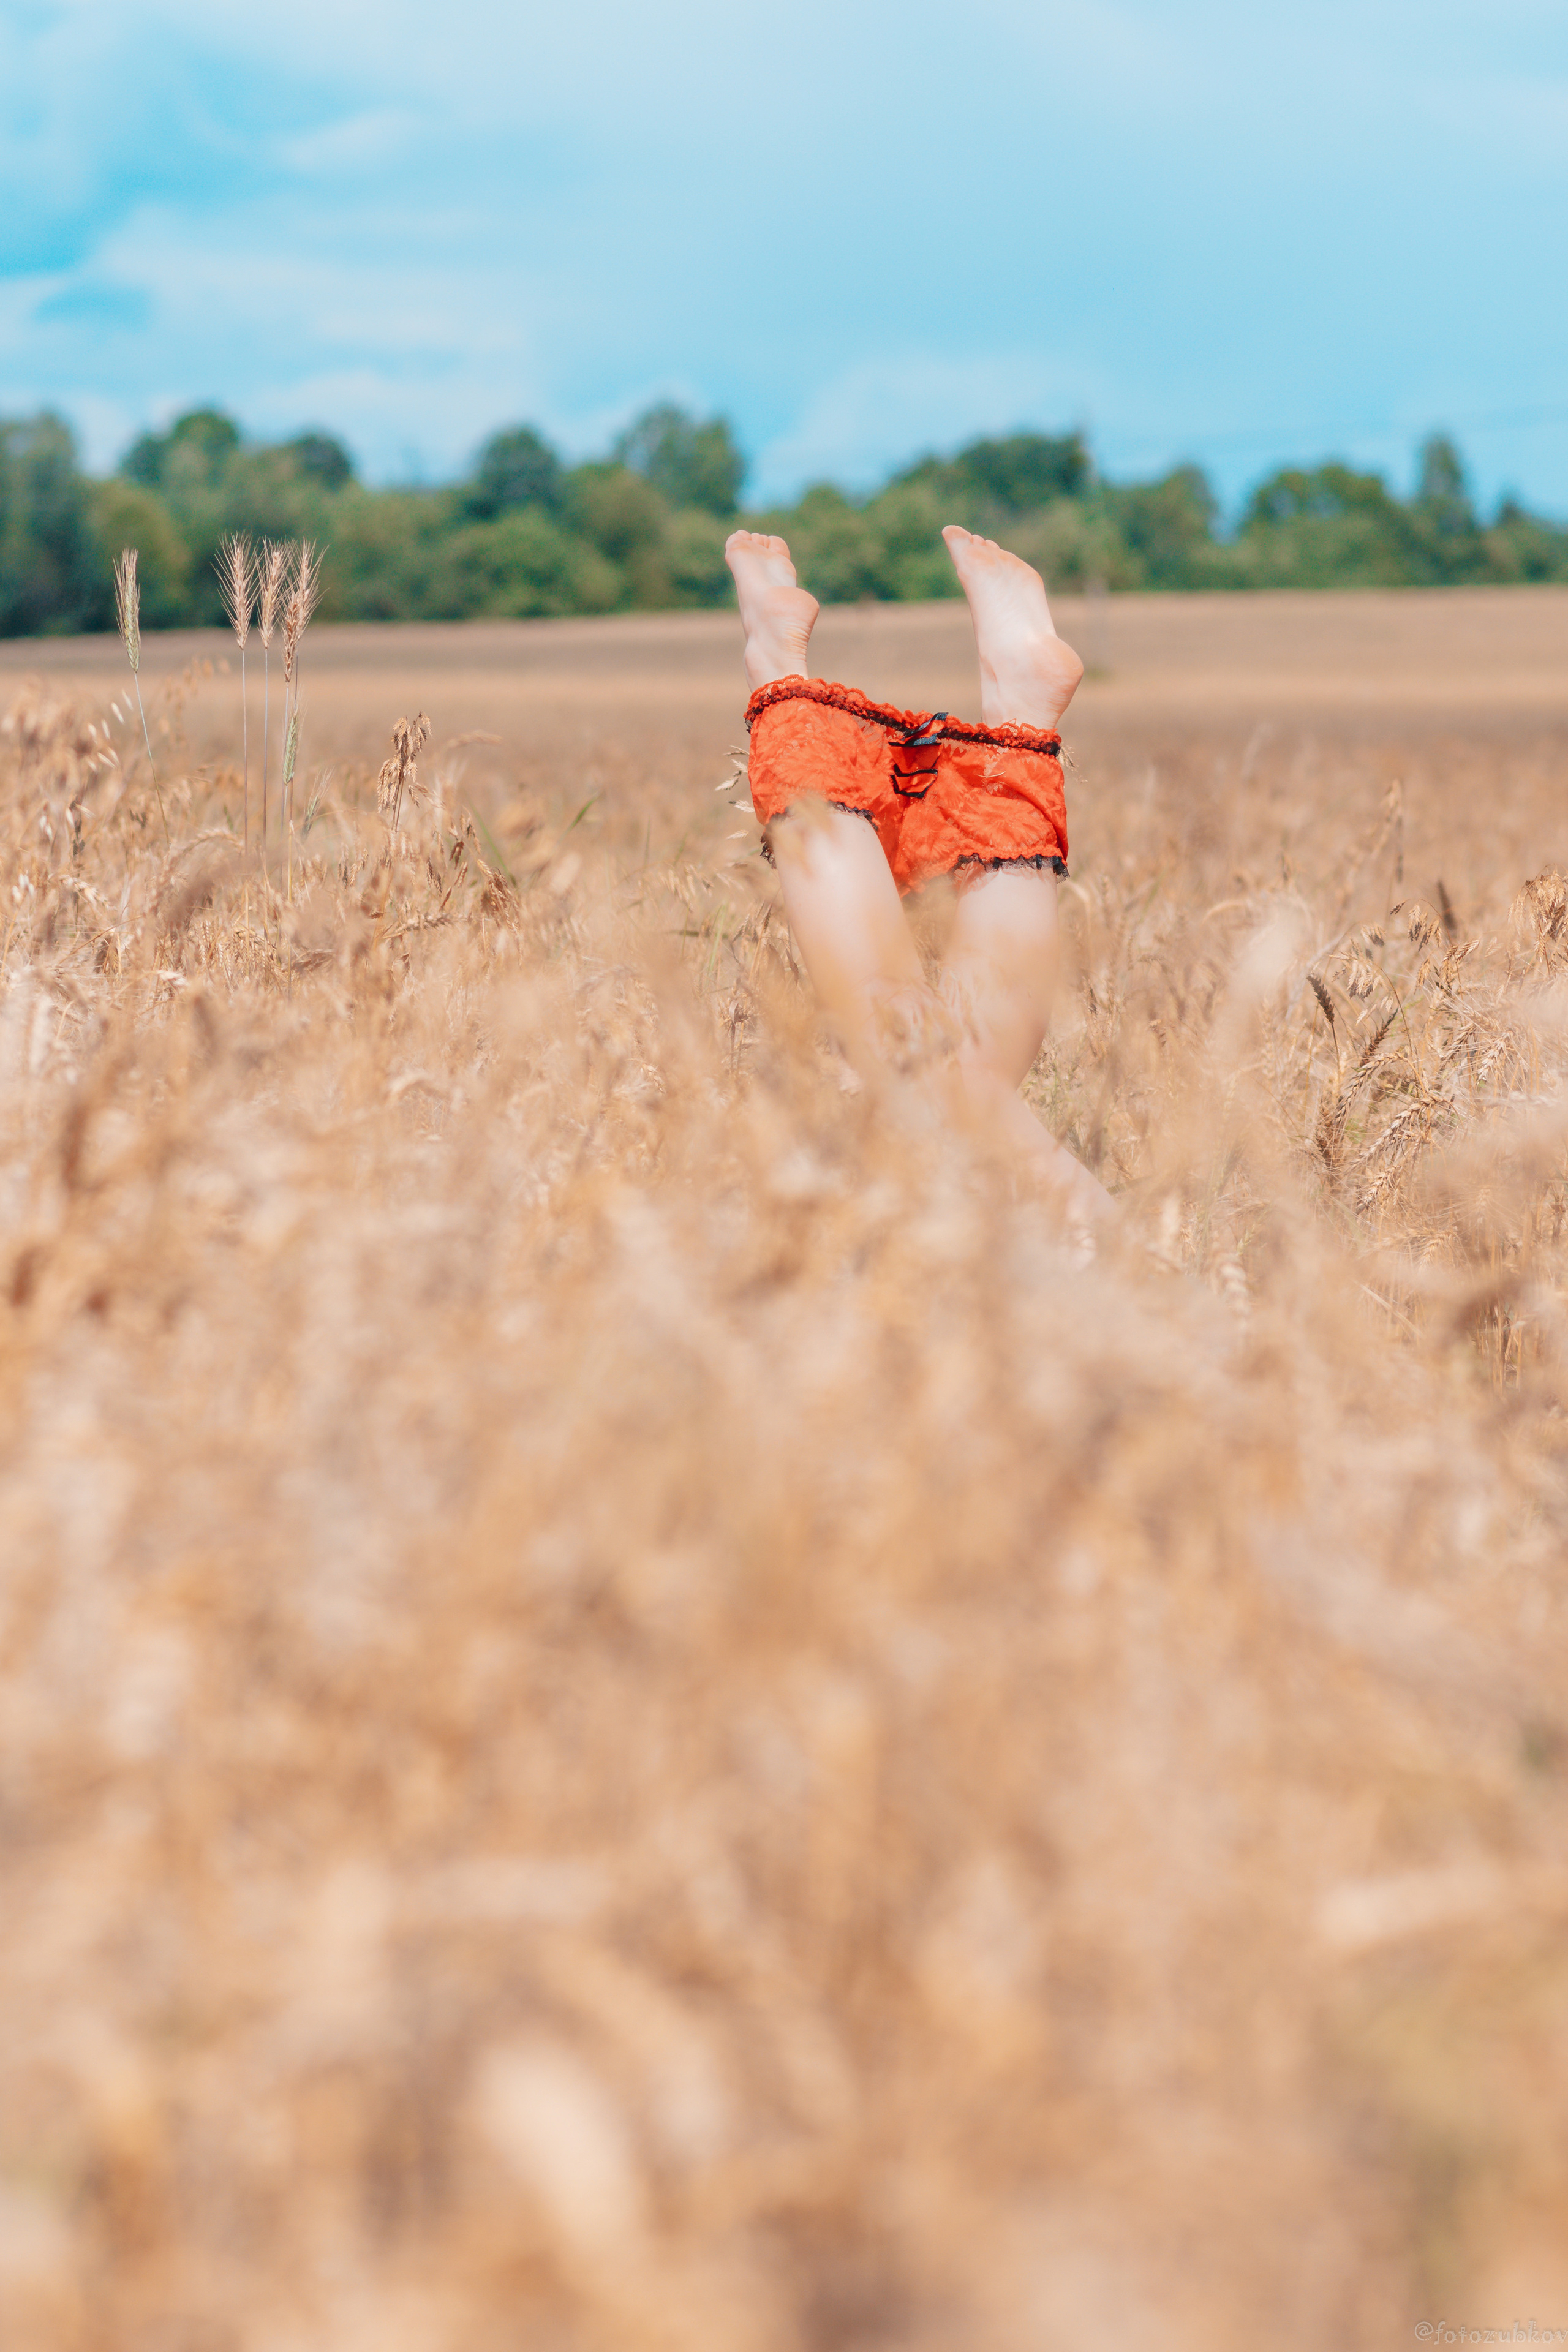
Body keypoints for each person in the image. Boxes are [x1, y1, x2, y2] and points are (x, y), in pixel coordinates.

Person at [725, 524, 1112, 1232]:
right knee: (954, 1068)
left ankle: (787, 681)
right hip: (1092, 1273)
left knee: (894, 1030)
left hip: (1069, 1271)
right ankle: (1014, 710)